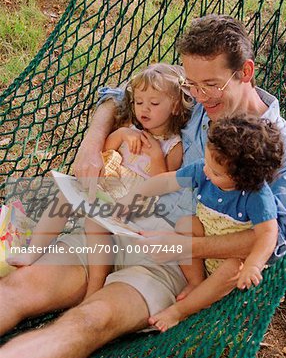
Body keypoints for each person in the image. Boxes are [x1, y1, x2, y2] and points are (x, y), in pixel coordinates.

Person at [0, 14, 286, 358]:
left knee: (89, 320)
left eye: (212, 85)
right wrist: (91, 144)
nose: (201, 96)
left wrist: (184, 246)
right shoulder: (194, 105)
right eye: (193, 85)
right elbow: (117, 95)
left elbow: (273, 241)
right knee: (19, 287)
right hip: (114, 225)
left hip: (173, 265)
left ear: (246, 71)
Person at [7, 63, 192, 301]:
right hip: (109, 190)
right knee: (64, 196)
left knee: (95, 225)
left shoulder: (172, 145)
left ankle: (95, 285)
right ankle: (33, 252)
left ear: (175, 106)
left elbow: (162, 185)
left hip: (136, 204)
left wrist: (156, 154)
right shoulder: (129, 129)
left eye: (154, 103)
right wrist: (121, 135)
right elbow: (105, 153)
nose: (144, 109)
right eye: (139, 102)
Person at [118, 115, 284, 332]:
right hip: (205, 246)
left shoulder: (256, 196)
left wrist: (253, 264)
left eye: (215, 172)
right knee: (187, 223)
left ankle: (180, 311)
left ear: (243, 179)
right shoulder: (204, 170)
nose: (206, 171)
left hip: (229, 262)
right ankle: (196, 282)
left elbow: (268, 234)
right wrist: (135, 195)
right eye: (207, 162)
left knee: (234, 266)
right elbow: (168, 181)